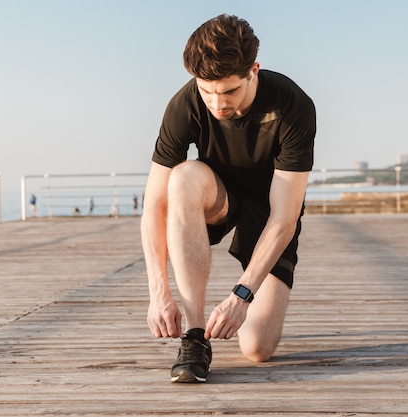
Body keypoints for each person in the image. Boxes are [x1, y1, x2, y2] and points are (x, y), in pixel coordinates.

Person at [140, 14, 316, 383]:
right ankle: (194, 337)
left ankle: (247, 302)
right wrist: (158, 291)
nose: (217, 104)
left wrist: (242, 295)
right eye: (207, 91)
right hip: (216, 197)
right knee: (184, 175)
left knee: (256, 350)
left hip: (269, 213)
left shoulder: (292, 105)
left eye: (229, 92)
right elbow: (155, 205)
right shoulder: (185, 104)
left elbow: (285, 217)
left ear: (254, 70)